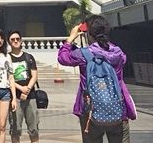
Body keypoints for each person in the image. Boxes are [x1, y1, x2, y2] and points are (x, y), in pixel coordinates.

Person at [57, 15, 136, 143]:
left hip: (90, 111)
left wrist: (70, 39)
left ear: (88, 34)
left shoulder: (83, 54)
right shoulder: (118, 53)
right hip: (118, 109)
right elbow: (122, 58)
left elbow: (63, 58)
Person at [8, 30, 39, 143]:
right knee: (15, 129)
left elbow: (34, 75)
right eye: (12, 39)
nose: (15, 41)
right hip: (15, 98)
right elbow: (8, 78)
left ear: (21, 40)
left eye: (17, 39)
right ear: (9, 42)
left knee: (34, 128)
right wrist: (21, 89)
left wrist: (27, 90)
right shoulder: (7, 58)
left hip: (30, 96)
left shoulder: (29, 57)